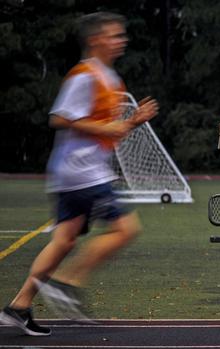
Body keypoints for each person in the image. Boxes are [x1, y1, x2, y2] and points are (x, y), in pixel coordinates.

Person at [0, 12, 158, 336]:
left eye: (121, 35)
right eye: (115, 35)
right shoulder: (84, 76)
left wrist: (133, 121)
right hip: (81, 173)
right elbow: (59, 118)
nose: (121, 40)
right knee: (126, 230)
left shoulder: (112, 80)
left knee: (63, 241)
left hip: (77, 172)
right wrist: (108, 126)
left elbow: (108, 133)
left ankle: (18, 306)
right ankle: (66, 282)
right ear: (96, 40)